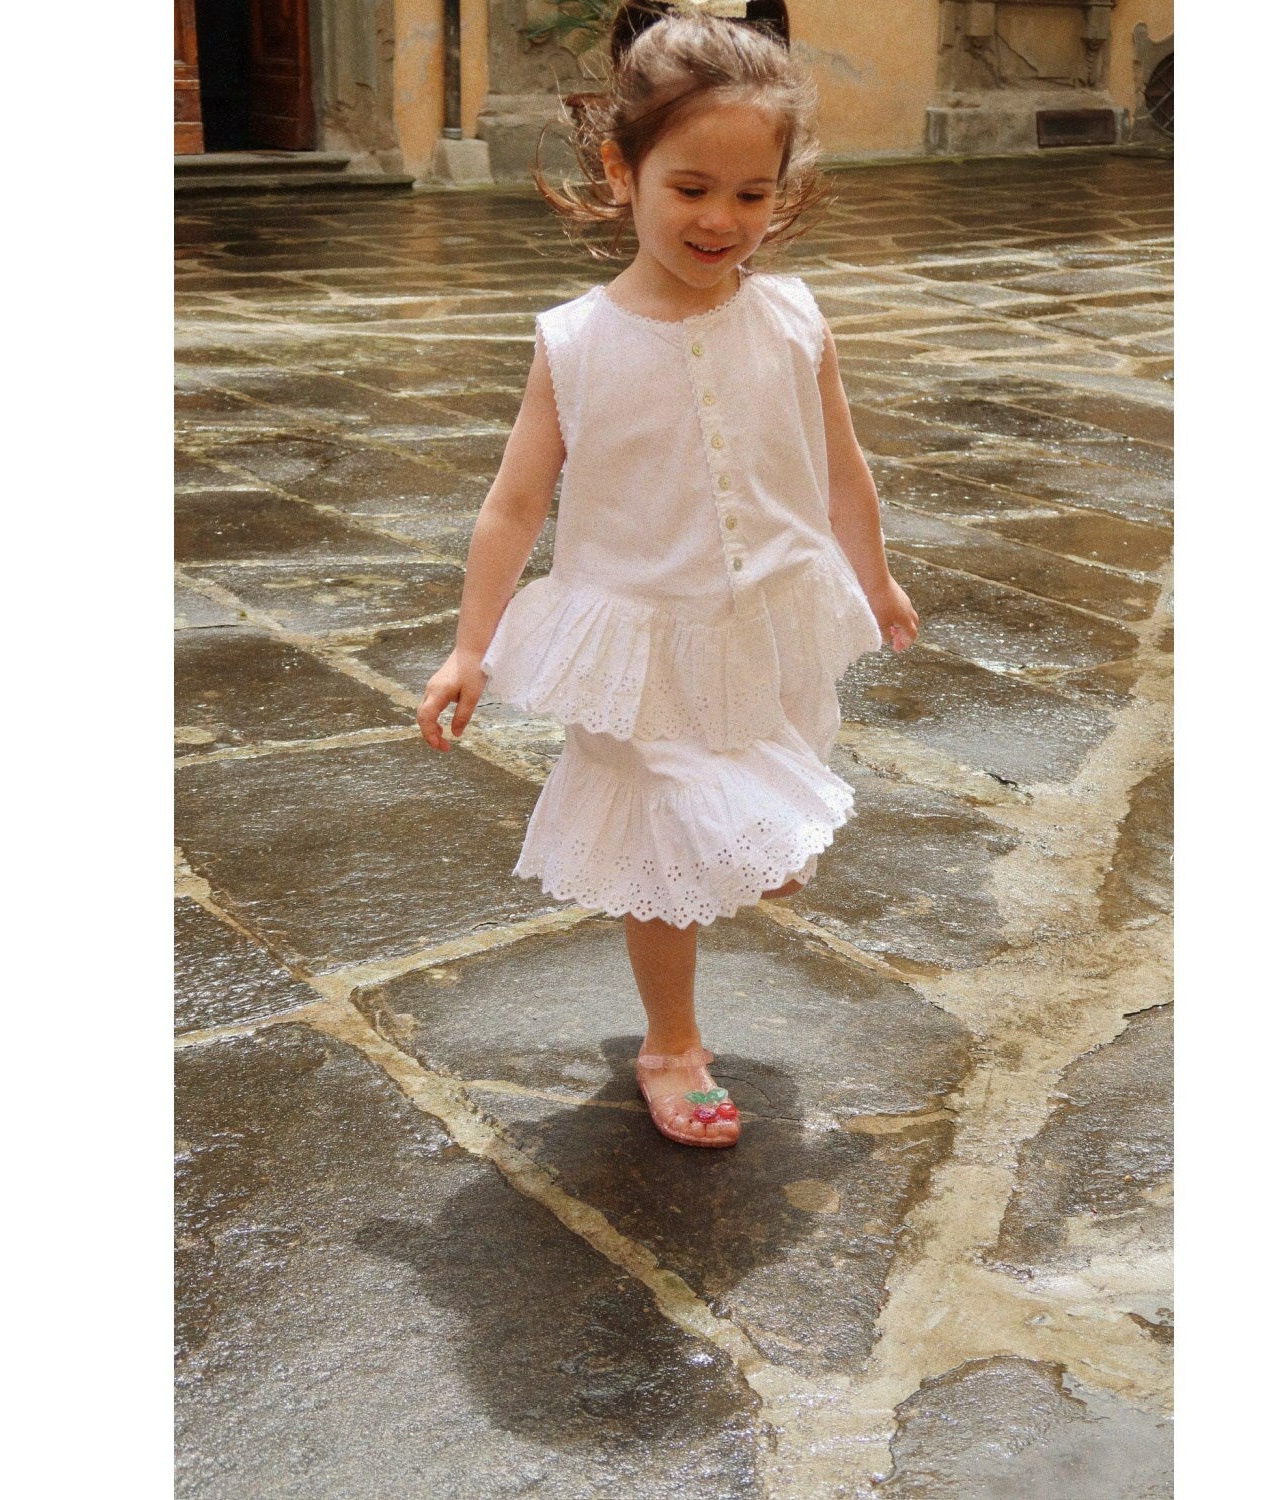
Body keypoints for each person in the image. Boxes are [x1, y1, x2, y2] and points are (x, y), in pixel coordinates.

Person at [416, 0, 919, 1149]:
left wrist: (877, 578)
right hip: (639, 646)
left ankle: (739, 866)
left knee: (760, 841)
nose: (721, 220)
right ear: (622, 168)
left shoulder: (794, 321)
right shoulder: (576, 342)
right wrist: (469, 648)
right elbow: (512, 506)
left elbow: (844, 467)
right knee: (664, 847)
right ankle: (671, 1044)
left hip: (771, 625)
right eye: (691, 188)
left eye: (752, 194)